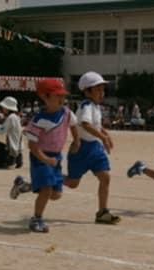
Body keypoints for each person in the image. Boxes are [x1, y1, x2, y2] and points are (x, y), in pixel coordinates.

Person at [9, 78, 80, 233]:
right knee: (46, 188)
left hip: (56, 157)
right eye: (57, 96)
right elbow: (32, 146)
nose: (62, 99)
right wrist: (45, 159)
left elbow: (73, 125)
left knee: (56, 194)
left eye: (63, 96)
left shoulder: (66, 112)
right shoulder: (39, 119)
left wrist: (76, 141)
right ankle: (36, 219)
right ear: (45, 97)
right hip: (40, 157)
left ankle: (24, 186)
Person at [64, 71, 120, 224]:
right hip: (81, 149)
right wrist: (103, 137)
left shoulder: (95, 106)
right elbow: (85, 124)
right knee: (72, 183)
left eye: (103, 89)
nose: (102, 93)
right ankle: (48, 178)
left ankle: (102, 212)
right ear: (87, 91)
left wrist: (105, 135)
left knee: (105, 177)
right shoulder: (86, 105)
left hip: (94, 148)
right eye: (98, 89)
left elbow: (97, 126)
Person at [0, 96, 23, 169]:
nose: (2, 108)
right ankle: (17, 160)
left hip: (11, 151)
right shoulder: (15, 117)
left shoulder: (10, 118)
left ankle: (10, 162)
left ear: (7, 108)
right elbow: (3, 127)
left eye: (3, 107)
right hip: (18, 150)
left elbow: (1, 131)